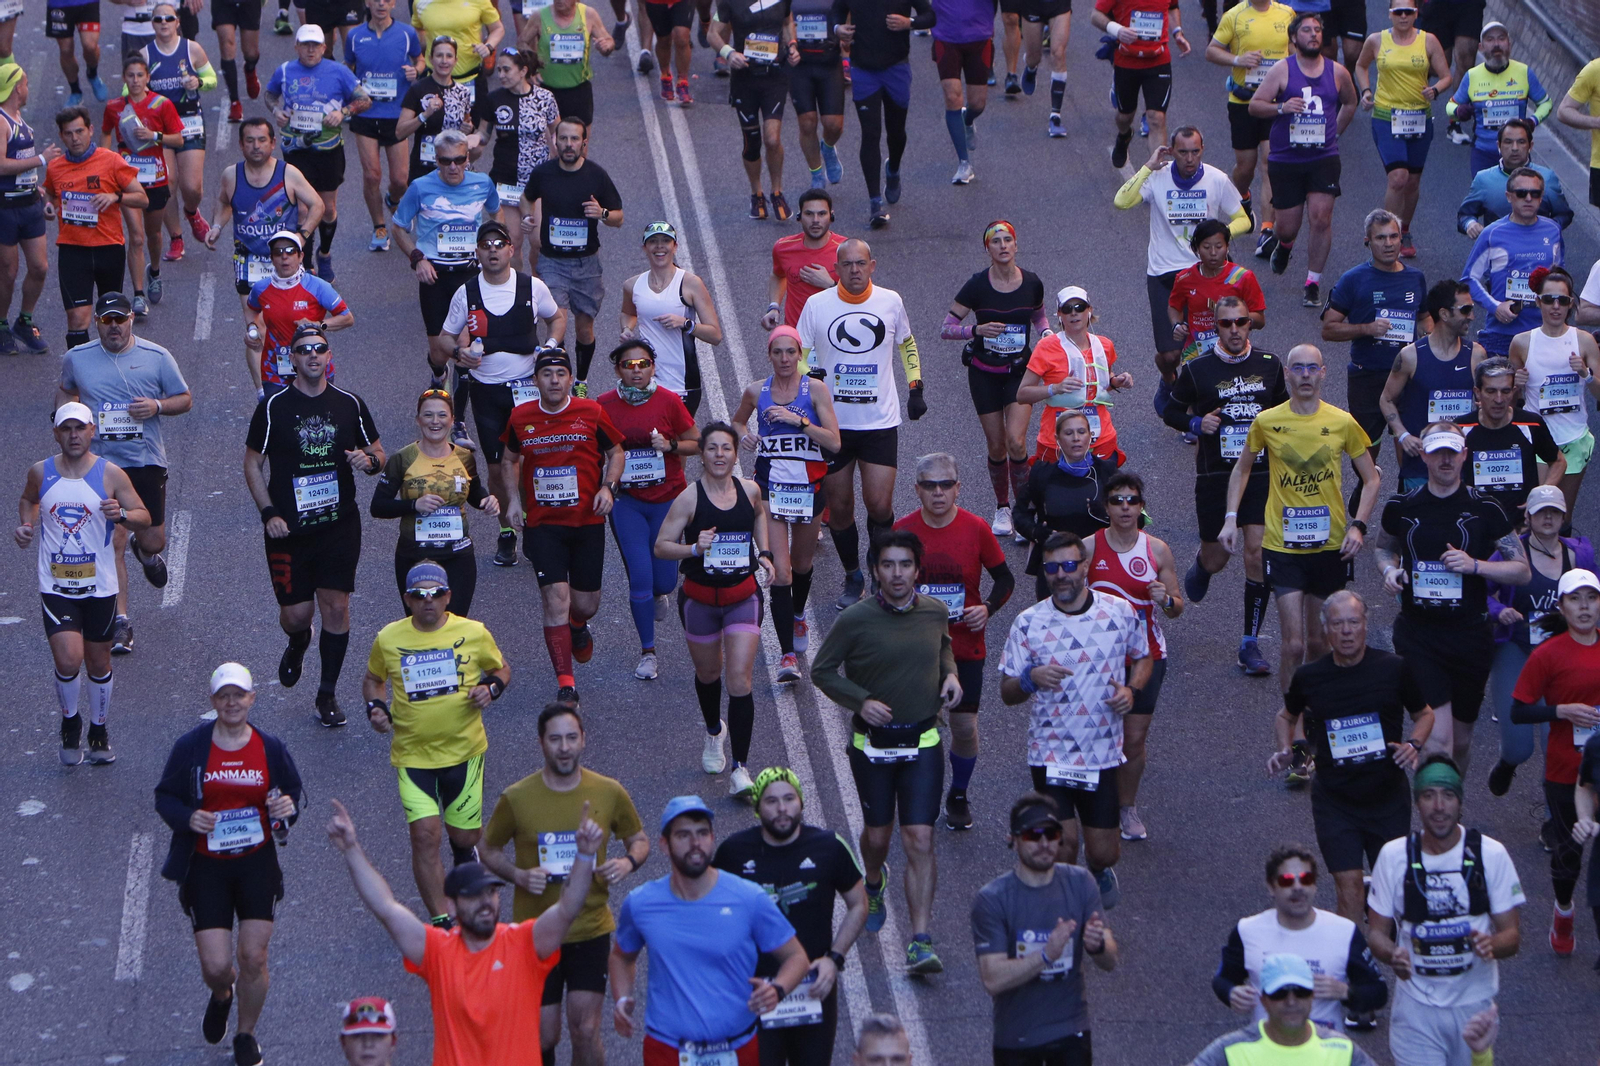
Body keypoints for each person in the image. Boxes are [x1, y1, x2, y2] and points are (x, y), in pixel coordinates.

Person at [330, 796, 599, 1065]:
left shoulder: (524, 943)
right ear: (452, 907)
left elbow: (566, 909)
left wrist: (585, 856)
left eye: (491, 893)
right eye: (473, 896)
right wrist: (351, 849)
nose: (485, 902)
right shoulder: (438, 952)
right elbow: (386, 908)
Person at [813, 530, 962, 973]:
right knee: (878, 836)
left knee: (920, 837)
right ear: (875, 570)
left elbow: (944, 648)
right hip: (872, 745)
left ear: (917, 570)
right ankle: (873, 881)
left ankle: (920, 939)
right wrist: (861, 701)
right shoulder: (855, 620)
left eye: (905, 565)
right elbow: (822, 671)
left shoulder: (935, 612)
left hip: (923, 740)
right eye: (887, 565)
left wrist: (950, 676)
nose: (897, 574)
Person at [480, 704, 650, 1066]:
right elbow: (488, 849)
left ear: (583, 740)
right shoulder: (517, 797)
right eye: (555, 739)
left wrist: (627, 861)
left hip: (590, 929)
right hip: (534, 932)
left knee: (585, 1029)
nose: (564, 747)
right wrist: (518, 875)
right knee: (544, 1034)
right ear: (541, 743)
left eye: (571, 738)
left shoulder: (608, 791)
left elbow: (639, 839)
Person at [153, 663, 302, 1066]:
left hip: (256, 863)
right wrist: (188, 818)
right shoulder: (192, 747)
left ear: (252, 698)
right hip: (206, 865)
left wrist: (285, 810)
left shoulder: (270, 747)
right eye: (224, 696)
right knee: (218, 966)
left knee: (253, 957)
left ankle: (245, 1035)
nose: (232, 702)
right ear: (213, 701)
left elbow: (291, 793)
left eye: (239, 695)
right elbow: (165, 796)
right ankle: (222, 995)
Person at [1220, 345, 1381, 713]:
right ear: (1288, 375)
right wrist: (1231, 517)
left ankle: (1314, 716)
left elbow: (1371, 479)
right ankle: (1291, 722)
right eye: (1298, 369)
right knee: (1293, 645)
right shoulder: (1267, 421)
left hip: (1330, 547)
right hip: (1283, 545)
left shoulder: (1342, 422)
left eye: (1312, 368)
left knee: (1320, 644)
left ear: (1324, 373)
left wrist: (1358, 526)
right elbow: (1243, 468)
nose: (1305, 375)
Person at [1001, 530, 1152, 911]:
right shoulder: (1028, 623)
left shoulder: (1118, 612)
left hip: (1101, 755)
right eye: (1052, 568)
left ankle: (1100, 870)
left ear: (1084, 567)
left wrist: (1131, 691)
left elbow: (1144, 656)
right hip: (1050, 754)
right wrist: (1029, 679)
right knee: (1062, 849)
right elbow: (1006, 692)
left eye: (1069, 565)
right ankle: (1069, 918)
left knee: (1103, 853)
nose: (1061, 574)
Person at [244, 323, 383, 727]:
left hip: (339, 524)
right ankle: (298, 642)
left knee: (337, 607)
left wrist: (369, 462)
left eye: (320, 348)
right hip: (289, 529)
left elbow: (378, 453)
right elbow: (252, 462)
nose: (313, 355)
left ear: (328, 355)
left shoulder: (349, 403)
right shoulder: (274, 407)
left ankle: (327, 694)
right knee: (296, 615)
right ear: (293, 358)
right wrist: (269, 512)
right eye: (304, 350)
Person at [609, 795, 811, 1065]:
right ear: (664, 845)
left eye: (702, 833)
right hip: (667, 1050)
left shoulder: (748, 898)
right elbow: (622, 956)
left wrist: (778, 990)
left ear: (712, 839)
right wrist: (622, 997)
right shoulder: (641, 903)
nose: (695, 844)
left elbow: (796, 958)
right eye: (683, 835)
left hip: (738, 1048)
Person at [363, 560, 509, 925]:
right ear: (407, 600)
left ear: (448, 597)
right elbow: (372, 679)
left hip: (465, 751)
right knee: (425, 836)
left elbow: (501, 668)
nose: (428, 601)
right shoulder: (389, 638)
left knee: (464, 835)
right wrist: (376, 708)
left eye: (436, 594)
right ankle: (443, 921)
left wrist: (491, 689)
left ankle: (465, 866)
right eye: (419, 595)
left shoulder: (474, 632)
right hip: (413, 756)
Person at [1272, 590, 1433, 921]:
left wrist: (1414, 745)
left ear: (1364, 625)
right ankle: (1354, 967)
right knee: (1348, 889)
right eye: (1338, 624)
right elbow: (1286, 715)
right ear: (1326, 630)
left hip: (1386, 799)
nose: (1346, 631)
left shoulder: (1393, 669)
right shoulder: (1310, 676)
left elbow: (1425, 714)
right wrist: (1286, 748)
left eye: (1353, 623)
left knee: (1390, 891)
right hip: (1336, 801)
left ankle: (1381, 946)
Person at [1372, 422, 1524, 770]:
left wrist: (1475, 566)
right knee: (1438, 740)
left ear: (1464, 456)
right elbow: (1383, 549)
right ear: (1423, 455)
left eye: (1452, 453)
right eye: (1437, 452)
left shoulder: (1487, 508)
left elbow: (1521, 570)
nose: (1445, 460)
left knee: (1461, 741)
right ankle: (1433, 818)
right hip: (1418, 634)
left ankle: (1448, 810)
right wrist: (1389, 571)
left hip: (1470, 636)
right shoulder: (1401, 506)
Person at [16, 402, 151, 766]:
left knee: (98, 662)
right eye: (66, 429)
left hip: (100, 586)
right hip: (56, 585)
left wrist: (122, 514)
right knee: (68, 656)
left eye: (80, 428)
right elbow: (28, 500)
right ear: (56, 433)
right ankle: (70, 722)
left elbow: (143, 516)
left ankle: (98, 729)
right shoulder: (41, 472)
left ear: (93, 431)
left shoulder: (110, 475)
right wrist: (27, 526)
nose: (73, 436)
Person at [56, 291, 190, 655]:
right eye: (106, 321)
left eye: (120, 320)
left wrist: (157, 405)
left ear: (131, 319)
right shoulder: (77, 358)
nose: (113, 327)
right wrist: (70, 423)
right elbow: (66, 392)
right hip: (100, 465)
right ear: (97, 323)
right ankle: (120, 622)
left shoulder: (156, 357)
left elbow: (185, 398)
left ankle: (145, 554)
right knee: (111, 542)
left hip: (145, 460)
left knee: (153, 539)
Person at [1366, 757, 1524, 1066]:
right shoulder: (1393, 856)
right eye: (1429, 795)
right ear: (1418, 803)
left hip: (1472, 1007)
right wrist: (1391, 954)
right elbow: (1376, 934)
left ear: (1460, 802)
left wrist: (1491, 944)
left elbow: (1513, 936)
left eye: (1448, 795)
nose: (1439, 806)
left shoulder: (1491, 855)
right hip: (1416, 1011)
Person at [1164, 293, 1286, 676]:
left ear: (1251, 324)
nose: (1234, 329)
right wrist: (1197, 424)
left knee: (1256, 551)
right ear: (1215, 326)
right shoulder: (1198, 369)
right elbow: (1169, 410)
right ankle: (1202, 565)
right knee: (1219, 556)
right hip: (1216, 473)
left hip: (1262, 473)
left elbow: (1285, 410)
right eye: (1226, 323)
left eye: (1242, 322)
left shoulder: (1269, 364)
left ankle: (1249, 643)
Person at [713, 767, 869, 1066]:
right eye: (771, 801)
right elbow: (711, 912)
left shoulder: (829, 846)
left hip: (813, 986)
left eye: (789, 798)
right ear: (757, 807)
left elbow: (859, 904)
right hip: (755, 990)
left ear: (801, 802)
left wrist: (834, 959)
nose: (782, 808)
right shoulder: (733, 852)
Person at [655, 422, 776, 797]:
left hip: (743, 596)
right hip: (700, 600)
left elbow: (759, 514)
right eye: (712, 449)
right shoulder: (689, 499)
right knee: (709, 675)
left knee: (739, 680)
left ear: (736, 454)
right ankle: (713, 732)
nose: (720, 455)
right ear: (702, 455)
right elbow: (661, 546)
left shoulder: (750, 490)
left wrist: (766, 553)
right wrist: (694, 549)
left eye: (726, 448)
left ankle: (741, 767)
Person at [894, 453, 1013, 829]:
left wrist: (988, 609)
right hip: (916, 649)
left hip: (965, 646)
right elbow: (884, 585)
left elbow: (1005, 580)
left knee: (963, 728)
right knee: (918, 726)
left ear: (959, 488)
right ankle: (918, 793)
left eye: (946, 484)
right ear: (917, 490)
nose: (939, 492)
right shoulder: (901, 532)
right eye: (930, 485)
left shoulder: (976, 528)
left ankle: (959, 792)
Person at [500, 349, 623, 706]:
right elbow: (508, 460)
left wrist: (608, 487)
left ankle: (578, 625)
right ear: (535, 380)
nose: (554, 380)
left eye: (560, 373)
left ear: (571, 379)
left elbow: (616, 452)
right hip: (543, 525)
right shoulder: (520, 417)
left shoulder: (591, 412)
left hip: (586, 522)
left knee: (585, 604)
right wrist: (512, 501)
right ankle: (566, 682)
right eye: (546, 374)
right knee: (555, 598)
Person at [439, 218, 565, 566]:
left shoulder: (532, 286)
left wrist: (551, 347)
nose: (493, 251)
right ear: (477, 252)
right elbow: (445, 338)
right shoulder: (466, 293)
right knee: (497, 469)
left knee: (528, 464)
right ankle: (507, 530)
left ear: (511, 249)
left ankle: (535, 527)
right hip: (487, 393)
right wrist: (457, 353)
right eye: (486, 246)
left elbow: (557, 318)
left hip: (527, 391)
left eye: (499, 245)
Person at [972, 792, 1120, 1065]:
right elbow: (993, 979)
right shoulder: (993, 899)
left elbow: (1110, 960)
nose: (1044, 843)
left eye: (1051, 834)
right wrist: (1045, 955)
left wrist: (1098, 945)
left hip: (1071, 1033)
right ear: (1013, 840)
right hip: (1016, 1040)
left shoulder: (1081, 883)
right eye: (1032, 835)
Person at [733, 325, 840, 671]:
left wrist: (799, 422)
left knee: (802, 565)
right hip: (770, 488)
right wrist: (746, 436)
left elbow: (834, 443)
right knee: (781, 573)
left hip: (809, 488)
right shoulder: (756, 390)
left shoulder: (816, 390)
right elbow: (737, 423)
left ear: (799, 354)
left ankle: (797, 614)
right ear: (768, 355)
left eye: (790, 352)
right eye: (777, 352)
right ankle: (786, 656)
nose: (784, 358)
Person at [1507, 566, 1600, 958]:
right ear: (1561, 607)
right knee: (1569, 854)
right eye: (1575, 600)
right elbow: (1518, 712)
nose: (1584, 607)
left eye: (1592, 598)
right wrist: (1562, 711)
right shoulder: (1548, 655)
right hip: (1566, 770)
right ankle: (1563, 910)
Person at [1112, 129, 1248, 396]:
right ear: (1171, 151)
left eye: (1195, 151)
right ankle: (1168, 378)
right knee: (1170, 354)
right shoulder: (1157, 178)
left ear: (1202, 150)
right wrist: (1147, 168)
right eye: (1183, 152)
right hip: (1165, 274)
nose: (1189, 158)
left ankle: (1196, 406)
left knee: (1212, 345)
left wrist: (1215, 239)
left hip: (1207, 273)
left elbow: (1244, 219)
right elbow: (1121, 201)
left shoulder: (1216, 179)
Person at [1088, 470, 1180, 842]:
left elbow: (1177, 608)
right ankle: (1093, 801)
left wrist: (1166, 599)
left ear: (1141, 507)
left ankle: (1127, 808)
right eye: (1117, 500)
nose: (1125, 507)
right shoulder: (1089, 548)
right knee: (1097, 731)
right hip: (1099, 657)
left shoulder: (1156, 549)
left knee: (1134, 739)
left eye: (1132, 500)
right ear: (1106, 506)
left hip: (1148, 654)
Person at [600, 340, 700, 680]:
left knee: (665, 581)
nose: (637, 370)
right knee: (640, 577)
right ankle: (648, 653)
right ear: (618, 370)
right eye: (629, 365)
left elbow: (697, 443)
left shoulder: (670, 401)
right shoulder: (603, 406)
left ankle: (660, 592)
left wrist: (671, 445)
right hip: (628, 503)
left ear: (653, 367)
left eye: (643, 363)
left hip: (668, 500)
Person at [391, 126, 498, 444]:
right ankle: (437, 374)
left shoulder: (483, 183)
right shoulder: (420, 188)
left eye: (459, 160)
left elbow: (496, 214)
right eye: (445, 161)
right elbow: (398, 227)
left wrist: (496, 249)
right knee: (440, 352)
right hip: (435, 275)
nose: (452, 167)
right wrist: (417, 259)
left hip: (469, 274)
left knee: (465, 348)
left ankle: (459, 421)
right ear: (435, 160)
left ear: (468, 158)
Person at [1483, 486, 1590, 799]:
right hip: (1517, 651)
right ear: (1527, 516)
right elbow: (1482, 591)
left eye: (1554, 511)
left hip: (1562, 658)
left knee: (1559, 743)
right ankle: (1507, 761)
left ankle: (1553, 821)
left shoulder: (1579, 554)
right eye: (1541, 511)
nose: (1548, 517)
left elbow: (1595, 596)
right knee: (1520, 747)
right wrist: (1500, 611)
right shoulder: (1511, 552)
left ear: (1563, 516)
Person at [1213, 844, 1386, 1033]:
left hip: (1325, 1055)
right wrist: (1231, 993)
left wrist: (1346, 992)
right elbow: (1223, 979)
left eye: (1306, 879)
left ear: (1314, 885)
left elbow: (1378, 991)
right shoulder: (1248, 931)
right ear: (1271, 886)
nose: (1298, 887)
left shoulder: (1343, 932)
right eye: (1287, 881)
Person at [943, 221, 1047, 535]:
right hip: (985, 375)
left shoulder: (1031, 282)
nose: (1002, 246)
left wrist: (1046, 334)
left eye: (1007, 240)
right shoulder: (977, 285)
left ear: (1016, 246)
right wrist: (976, 330)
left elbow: (1038, 316)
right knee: (998, 445)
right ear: (987, 249)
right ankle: (1003, 508)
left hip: (1020, 373)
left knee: (1017, 441)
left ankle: (1023, 510)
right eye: (995, 241)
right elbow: (946, 328)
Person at [1247, 12, 1356, 304]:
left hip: (1323, 157)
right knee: (1287, 226)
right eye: (1306, 30)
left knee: (1321, 218)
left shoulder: (1337, 71)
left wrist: (1336, 134)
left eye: (1318, 30)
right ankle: (1284, 244)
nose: (1314, 35)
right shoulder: (1282, 70)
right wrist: (1282, 108)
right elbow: (1255, 106)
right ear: (1294, 38)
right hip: (1286, 159)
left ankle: (1312, 282)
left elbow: (1350, 102)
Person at [371, 390, 499, 616]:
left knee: (454, 625)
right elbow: (378, 506)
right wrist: (413, 505)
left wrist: (486, 500)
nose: (435, 421)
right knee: (422, 625)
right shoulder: (403, 458)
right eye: (428, 415)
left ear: (452, 420)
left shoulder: (465, 456)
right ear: (418, 420)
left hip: (457, 554)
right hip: (415, 554)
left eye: (442, 415)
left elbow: (474, 491)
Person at [520, 117, 624, 391]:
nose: (568, 144)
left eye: (574, 139)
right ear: (556, 141)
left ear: (583, 143)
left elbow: (618, 218)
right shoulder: (544, 173)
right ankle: (560, 381)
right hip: (552, 262)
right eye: (563, 138)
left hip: (586, 264)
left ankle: (582, 380)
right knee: (558, 323)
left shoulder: (596, 175)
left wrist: (601, 213)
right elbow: (526, 196)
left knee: (585, 328)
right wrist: (528, 216)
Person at [1320, 208, 1427, 467]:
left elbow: (1425, 318)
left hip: (1407, 376)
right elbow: (1328, 329)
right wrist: (1367, 329)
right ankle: (1364, 495)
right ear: (1368, 241)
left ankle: (1407, 500)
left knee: (1410, 444)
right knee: (1367, 450)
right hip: (1367, 376)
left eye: (1393, 237)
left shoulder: (1416, 278)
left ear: (1402, 239)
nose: (1388, 244)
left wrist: (1432, 344)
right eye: (1380, 238)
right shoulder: (1353, 280)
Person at [265, 24, 371, 280]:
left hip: (328, 149)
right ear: (297, 47)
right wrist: (277, 111)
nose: (310, 50)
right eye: (305, 45)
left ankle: (324, 253)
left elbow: (364, 100)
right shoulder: (285, 70)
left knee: (327, 208)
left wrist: (343, 112)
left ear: (324, 47)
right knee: (303, 208)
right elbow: (270, 95)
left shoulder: (338, 72)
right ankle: (307, 264)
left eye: (315, 45)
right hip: (296, 148)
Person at [42, 106, 148, 351]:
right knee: (78, 318)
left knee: (111, 318)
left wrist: (115, 197)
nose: (75, 138)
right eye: (68, 133)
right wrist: (48, 206)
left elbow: (142, 198)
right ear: (61, 135)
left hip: (109, 249)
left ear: (90, 130)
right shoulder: (55, 167)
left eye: (79, 131)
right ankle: (78, 380)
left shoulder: (110, 160)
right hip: (73, 251)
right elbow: (50, 196)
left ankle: (111, 370)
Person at [1351, 0, 1450, 257]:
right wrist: (1365, 91)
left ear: (1416, 13)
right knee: (1398, 178)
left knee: (1413, 181)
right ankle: (1388, 235)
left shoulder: (1428, 41)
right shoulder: (1376, 40)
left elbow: (1446, 75)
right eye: (1398, 12)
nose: (1403, 16)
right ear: (1390, 14)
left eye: (1408, 12)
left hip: (1419, 117)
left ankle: (1404, 229)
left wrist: (1436, 89)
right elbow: (1360, 65)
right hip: (1386, 116)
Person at [204, 118, 323, 317]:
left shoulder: (289, 174)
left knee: (289, 321)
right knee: (255, 329)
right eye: (250, 141)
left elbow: (317, 205)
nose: (256, 146)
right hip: (248, 259)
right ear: (241, 145)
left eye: (261, 140)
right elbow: (225, 202)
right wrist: (216, 226)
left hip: (285, 258)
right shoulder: (231, 175)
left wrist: (302, 237)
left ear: (273, 143)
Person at [830, 0, 933, 228]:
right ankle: (875, 203)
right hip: (863, 68)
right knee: (871, 133)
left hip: (896, 66)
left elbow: (930, 15)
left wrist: (910, 22)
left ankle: (893, 168)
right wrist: (839, 28)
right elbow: (836, 10)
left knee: (896, 133)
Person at [1506, 266, 1600, 517]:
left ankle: (1563, 555)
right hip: (1536, 439)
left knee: (1561, 516)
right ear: (1538, 302)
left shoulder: (1585, 341)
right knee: (1535, 513)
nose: (1555, 306)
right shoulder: (1522, 342)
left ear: (1571, 304)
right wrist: (1517, 385)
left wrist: (1586, 375)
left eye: (1562, 300)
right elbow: (1505, 402)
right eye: (1549, 300)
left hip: (1573, 437)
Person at [1377, 279, 1486, 491]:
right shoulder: (1410, 356)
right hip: (1421, 467)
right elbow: (1386, 399)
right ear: (1444, 314)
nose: (1472, 317)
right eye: (1465, 310)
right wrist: (1403, 435)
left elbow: (1485, 401)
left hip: (1464, 465)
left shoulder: (1476, 354)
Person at [1203, 0, 1293, 254]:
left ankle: (1266, 230)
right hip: (1243, 101)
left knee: (1269, 163)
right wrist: (1239, 59)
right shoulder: (1235, 15)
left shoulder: (1287, 14)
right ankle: (1242, 197)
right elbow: (1212, 51)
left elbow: (1297, 51)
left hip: (1275, 102)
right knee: (1245, 166)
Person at [100, 56, 184, 318]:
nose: (135, 81)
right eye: (130, 76)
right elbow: (105, 134)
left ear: (147, 78)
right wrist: (105, 161)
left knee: (153, 235)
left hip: (156, 180)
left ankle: (155, 271)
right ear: (124, 78)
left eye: (140, 75)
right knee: (135, 237)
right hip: (128, 181)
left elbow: (179, 139)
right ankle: (137, 296)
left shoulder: (162, 104)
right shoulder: (114, 106)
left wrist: (154, 136)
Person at [1016, 285, 1134, 470]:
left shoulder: (1104, 345)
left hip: (1101, 437)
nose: (1074, 313)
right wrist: (1054, 388)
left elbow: (1103, 381)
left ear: (1089, 311)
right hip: (1056, 440)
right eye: (1067, 309)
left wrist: (1115, 381)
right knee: (1057, 495)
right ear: (1059, 315)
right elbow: (1022, 394)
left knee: (1101, 493)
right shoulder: (1046, 347)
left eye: (1079, 307)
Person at [1189, 952, 1378, 1066]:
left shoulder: (1342, 1051)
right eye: (1280, 994)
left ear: (1312, 996)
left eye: (1300, 992)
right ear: (1264, 1001)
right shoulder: (1231, 1051)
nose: (1291, 1001)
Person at [620, 221, 724, 418]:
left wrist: (685, 324)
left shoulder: (690, 283)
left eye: (665, 241)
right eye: (653, 242)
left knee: (674, 443)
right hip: (644, 380)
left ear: (675, 247)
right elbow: (628, 313)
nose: (660, 247)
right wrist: (626, 329)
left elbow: (715, 335)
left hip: (682, 383)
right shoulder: (632, 285)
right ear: (645, 248)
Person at [344, 0, 424, 252]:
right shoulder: (355, 35)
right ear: (367, 2)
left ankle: (393, 199)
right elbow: (348, 68)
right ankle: (379, 226)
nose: (381, 4)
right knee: (372, 175)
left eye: (386, 0)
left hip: (397, 114)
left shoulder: (406, 33)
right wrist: (353, 90)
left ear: (393, 3)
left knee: (400, 179)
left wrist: (416, 71)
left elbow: (420, 60)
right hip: (366, 114)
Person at [140, 3, 217, 262]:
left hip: (189, 122)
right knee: (167, 184)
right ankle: (176, 237)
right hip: (159, 128)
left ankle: (192, 212)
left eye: (168, 18)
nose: (164, 23)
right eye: (158, 19)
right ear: (152, 24)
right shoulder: (146, 55)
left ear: (177, 22)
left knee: (192, 186)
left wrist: (199, 82)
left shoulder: (191, 49)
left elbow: (212, 80)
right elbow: (130, 90)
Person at [1460, 166, 1563, 359]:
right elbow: (1468, 279)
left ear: (1541, 197)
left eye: (1535, 193)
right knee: (1499, 389)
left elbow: (1559, 278)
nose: (1528, 198)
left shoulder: (1553, 231)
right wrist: (1495, 307)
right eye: (1521, 193)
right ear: (1509, 196)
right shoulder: (1492, 233)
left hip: (1544, 332)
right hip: (1502, 334)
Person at [1014, 412, 1117, 598]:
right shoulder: (1041, 474)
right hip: (1056, 563)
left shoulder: (1108, 472)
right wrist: (1037, 532)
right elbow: (1020, 515)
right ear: (1057, 439)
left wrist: (1110, 515)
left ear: (1090, 436)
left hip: (1100, 561)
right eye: (1069, 433)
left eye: (1081, 432)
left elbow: (1138, 518)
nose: (1076, 438)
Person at [472, 47, 559, 269]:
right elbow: (483, 133)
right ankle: (517, 290)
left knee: (539, 241)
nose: (500, 75)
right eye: (499, 70)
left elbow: (558, 131)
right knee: (511, 242)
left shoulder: (545, 98)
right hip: (506, 180)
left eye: (506, 70)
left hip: (538, 183)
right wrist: (471, 140)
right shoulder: (494, 99)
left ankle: (537, 284)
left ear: (523, 71)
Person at [244, 230, 353, 399]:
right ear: (272, 258)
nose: (284, 257)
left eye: (290, 251)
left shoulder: (318, 287)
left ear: (301, 256)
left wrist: (319, 325)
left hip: (313, 365)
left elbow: (347, 318)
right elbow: (251, 308)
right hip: (275, 371)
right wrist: (252, 328)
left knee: (316, 420)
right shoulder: (261, 289)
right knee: (279, 420)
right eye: (278, 252)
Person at [709, 0, 791, 217]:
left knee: (772, 139)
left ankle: (777, 191)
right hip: (745, 79)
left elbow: (786, 22)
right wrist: (729, 53)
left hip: (774, 77)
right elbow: (712, 34)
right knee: (752, 142)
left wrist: (792, 46)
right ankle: (757, 193)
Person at [1456, 357, 1563, 519]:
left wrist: (1542, 496)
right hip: (1476, 523)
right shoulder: (1461, 428)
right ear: (1478, 393)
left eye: (1505, 391)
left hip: (1521, 524)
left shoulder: (1531, 424)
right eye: (1491, 391)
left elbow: (1558, 461)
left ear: (1513, 391)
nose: (1499, 399)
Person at [0, 66, 57, 355]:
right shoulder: (1, 121)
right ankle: (0, 325)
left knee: (39, 267)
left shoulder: (20, 119)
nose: (28, 87)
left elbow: (19, 165)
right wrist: (40, 159)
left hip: (29, 204)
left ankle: (25, 320)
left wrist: (36, 189)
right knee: (8, 272)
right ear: (15, 88)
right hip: (6, 207)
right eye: (24, 83)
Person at [1092, 0, 1188, 167]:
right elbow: (1095, 15)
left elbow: (1172, 7)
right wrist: (1118, 30)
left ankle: (1158, 173)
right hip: (1127, 62)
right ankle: (1124, 136)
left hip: (1158, 61)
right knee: (1125, 116)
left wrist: (1177, 32)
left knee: (1157, 118)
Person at [1444, 23, 1551, 172]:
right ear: (1481, 47)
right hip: (1483, 153)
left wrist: (1532, 121)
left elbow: (1545, 103)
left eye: (1501, 39)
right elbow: (1450, 106)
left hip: (1517, 153)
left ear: (1509, 44)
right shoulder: (1472, 76)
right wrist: (1459, 111)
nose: (1496, 45)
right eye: (1490, 40)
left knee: (1517, 194)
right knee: (1485, 195)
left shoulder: (1524, 72)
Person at [1166, 220, 1266, 369]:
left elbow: (1260, 320)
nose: (1213, 253)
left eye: (1219, 247)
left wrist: (1234, 319)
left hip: (1234, 351)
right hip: (1196, 352)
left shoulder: (1243, 277)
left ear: (1227, 247)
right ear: (1196, 249)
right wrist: (1177, 325)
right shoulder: (1184, 278)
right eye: (1206, 247)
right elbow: (1174, 306)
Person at [1456, 120, 1572, 237]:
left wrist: (1550, 228)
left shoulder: (1547, 177)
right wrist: (1470, 224)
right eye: (1508, 142)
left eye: (1521, 142)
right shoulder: (1483, 179)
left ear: (1530, 146)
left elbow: (1564, 214)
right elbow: (1465, 215)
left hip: (1538, 250)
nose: (1515, 148)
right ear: (1499, 146)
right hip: (1498, 250)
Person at [395, 36, 477, 183]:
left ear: (455, 60)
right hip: (425, 169)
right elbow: (400, 132)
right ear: (431, 59)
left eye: (449, 56)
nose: (444, 61)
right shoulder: (418, 89)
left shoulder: (463, 92)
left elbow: (467, 126)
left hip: (453, 169)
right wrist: (424, 115)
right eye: (439, 55)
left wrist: (468, 129)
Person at [522, 0, 615, 127]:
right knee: (550, 143)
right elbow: (522, 42)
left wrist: (606, 46)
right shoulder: (540, 16)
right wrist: (532, 67)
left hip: (579, 91)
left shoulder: (588, 14)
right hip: (547, 90)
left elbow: (608, 41)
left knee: (579, 144)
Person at [926, 0, 992, 180]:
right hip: (945, 35)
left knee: (977, 104)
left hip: (979, 35)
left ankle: (968, 119)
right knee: (952, 95)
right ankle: (964, 163)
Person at [763, 188, 845, 329]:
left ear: (831, 216)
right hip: (797, 337)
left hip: (834, 337)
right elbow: (778, 275)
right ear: (799, 216)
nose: (815, 220)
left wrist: (831, 286)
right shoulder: (782, 248)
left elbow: (863, 295)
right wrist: (774, 306)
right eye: (809, 214)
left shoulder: (847, 250)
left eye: (822, 214)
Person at [785, 0, 846, 189]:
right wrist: (787, 47)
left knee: (834, 125)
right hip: (799, 65)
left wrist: (846, 42)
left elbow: (848, 9)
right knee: (807, 122)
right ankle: (817, 174)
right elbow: (778, 19)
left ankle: (827, 148)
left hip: (828, 61)